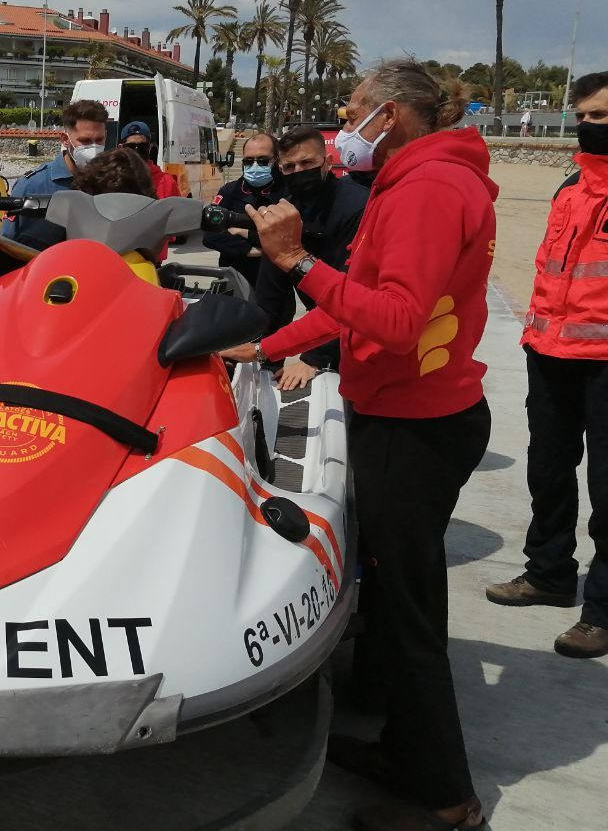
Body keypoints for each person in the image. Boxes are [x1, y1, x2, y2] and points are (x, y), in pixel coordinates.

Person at [226, 60, 495, 831]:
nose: (345, 124)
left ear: (391, 116)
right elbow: (360, 302)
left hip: (415, 425)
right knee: (391, 593)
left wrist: (294, 262)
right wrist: (269, 345)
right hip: (410, 409)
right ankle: (403, 747)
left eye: (351, 109)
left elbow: (398, 318)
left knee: (409, 611)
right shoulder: (414, 182)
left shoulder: (430, 190)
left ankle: (445, 798)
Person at [485, 71, 608, 659]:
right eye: (581, 116)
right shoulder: (569, 187)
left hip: (606, 362)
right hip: (551, 354)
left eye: (600, 117)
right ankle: (550, 574)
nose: (586, 127)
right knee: (548, 472)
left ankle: (603, 610)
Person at [252, 125, 370, 391]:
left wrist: (316, 358)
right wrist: (264, 353)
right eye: (289, 167)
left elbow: (352, 293)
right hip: (322, 319)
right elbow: (271, 295)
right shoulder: (285, 210)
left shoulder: (356, 207)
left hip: (360, 331)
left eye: (307, 163)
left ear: (327, 163)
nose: (299, 172)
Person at [3, 99, 109, 249]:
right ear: (65, 140)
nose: (94, 148)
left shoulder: (110, 182)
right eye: (85, 141)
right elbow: (7, 246)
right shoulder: (32, 186)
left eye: (99, 140)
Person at [202, 131, 281, 288]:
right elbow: (210, 235)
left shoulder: (286, 193)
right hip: (233, 282)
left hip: (273, 285)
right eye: (248, 161)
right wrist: (250, 250)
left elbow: (287, 239)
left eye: (263, 160)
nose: (255, 166)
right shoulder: (229, 191)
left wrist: (243, 232)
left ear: (277, 160)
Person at [118, 120, 185, 198]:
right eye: (131, 147)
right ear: (121, 148)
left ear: (149, 148)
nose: (137, 150)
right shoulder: (113, 179)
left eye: (142, 146)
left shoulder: (167, 182)